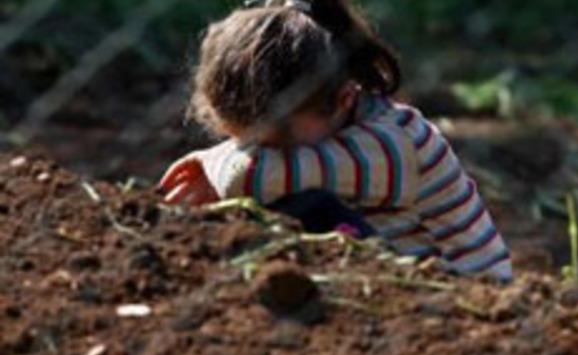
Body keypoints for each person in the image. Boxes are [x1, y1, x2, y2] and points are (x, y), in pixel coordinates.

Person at [159, 0, 512, 281]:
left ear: (344, 98)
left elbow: (244, 176)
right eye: (246, 140)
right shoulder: (332, 127)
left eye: (279, 142)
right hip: (406, 276)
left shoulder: (394, 144)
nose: (262, 151)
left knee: (299, 202)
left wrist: (212, 162)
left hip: (463, 296)